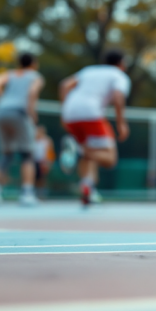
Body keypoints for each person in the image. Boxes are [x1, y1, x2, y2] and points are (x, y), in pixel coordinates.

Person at [58, 49, 131, 206]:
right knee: (109, 159)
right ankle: (77, 152)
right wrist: (121, 123)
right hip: (91, 114)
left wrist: (64, 112)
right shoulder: (119, 76)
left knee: (90, 153)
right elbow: (118, 97)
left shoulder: (89, 71)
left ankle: (87, 187)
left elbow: (64, 85)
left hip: (70, 113)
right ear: (121, 64)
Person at [0, 52, 45, 206]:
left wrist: (2, 100)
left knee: (6, 155)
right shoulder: (35, 76)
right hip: (20, 113)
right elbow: (32, 93)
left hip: (1, 113)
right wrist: (32, 114)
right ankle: (27, 194)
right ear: (33, 63)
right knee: (27, 155)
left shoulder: (11, 74)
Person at [33, 125, 55, 198]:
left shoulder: (47, 140)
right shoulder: (34, 140)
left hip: (44, 162)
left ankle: (42, 193)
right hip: (35, 161)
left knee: (42, 178)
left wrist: (49, 162)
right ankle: (35, 193)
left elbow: (50, 152)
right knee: (34, 177)